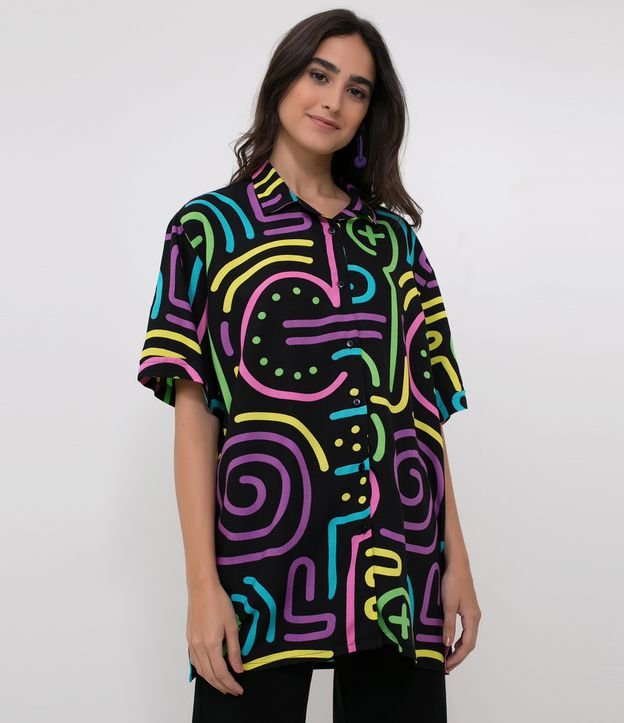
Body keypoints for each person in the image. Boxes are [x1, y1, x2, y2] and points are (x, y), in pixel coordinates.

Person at [137, 8, 481, 723]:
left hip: (398, 561)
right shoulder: (207, 230)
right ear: (283, 80)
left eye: (357, 89)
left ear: (370, 111)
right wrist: (201, 586)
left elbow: (423, 415)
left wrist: (458, 562)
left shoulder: (395, 243)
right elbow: (195, 416)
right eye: (320, 76)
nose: (333, 101)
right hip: (263, 565)